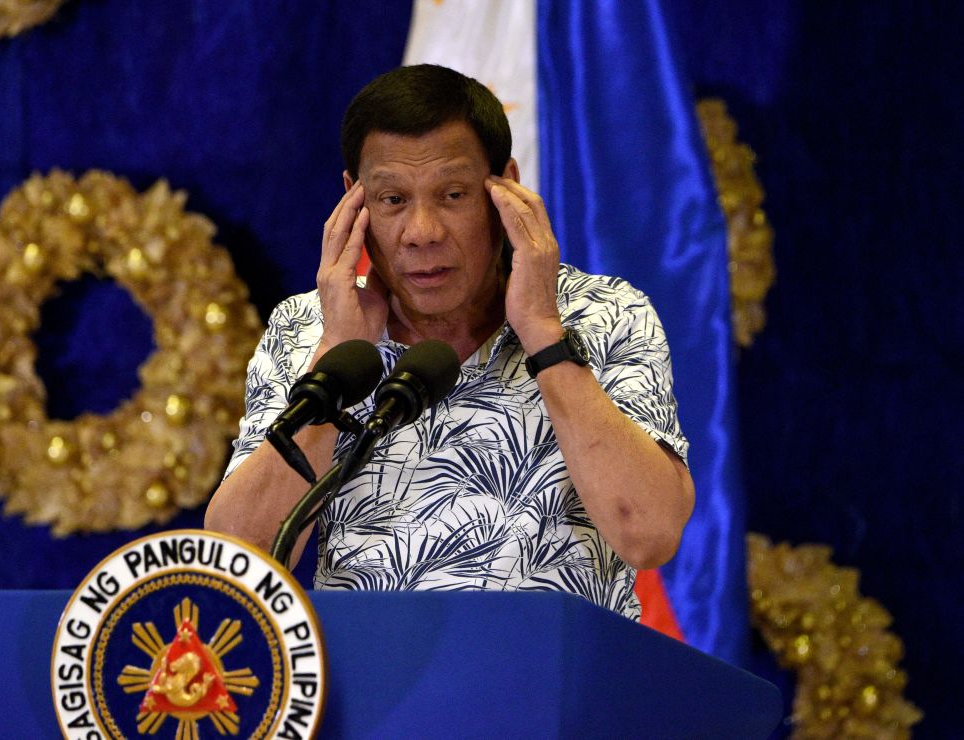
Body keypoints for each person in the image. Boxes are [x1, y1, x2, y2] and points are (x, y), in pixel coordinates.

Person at [205, 64, 694, 618]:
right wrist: (337, 352)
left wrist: (543, 335)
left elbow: (648, 535)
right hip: (371, 694)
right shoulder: (305, 329)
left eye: (453, 194)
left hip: (552, 693)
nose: (422, 232)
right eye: (392, 200)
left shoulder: (602, 312)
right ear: (354, 200)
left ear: (505, 188)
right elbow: (234, 564)